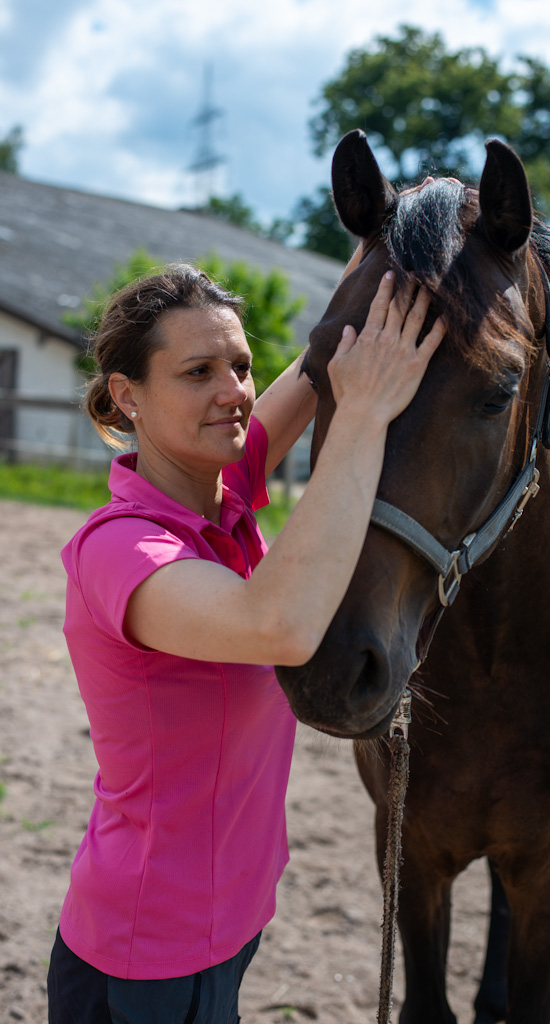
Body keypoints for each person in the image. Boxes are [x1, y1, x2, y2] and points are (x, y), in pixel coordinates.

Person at [46, 260, 445, 1024]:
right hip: (154, 944)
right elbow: (279, 627)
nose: (233, 392)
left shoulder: (222, 490)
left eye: (240, 365)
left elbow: (323, 354)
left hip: (228, 915)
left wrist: (381, 262)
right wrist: (359, 416)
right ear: (127, 397)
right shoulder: (122, 549)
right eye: (197, 372)